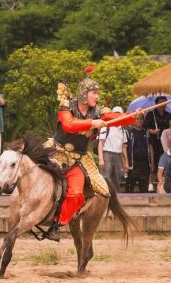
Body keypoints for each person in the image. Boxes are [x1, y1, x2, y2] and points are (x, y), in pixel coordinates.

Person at [43, 78, 138, 242]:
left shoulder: (99, 111)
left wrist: (132, 116)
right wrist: (92, 123)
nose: (97, 96)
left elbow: (117, 118)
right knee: (31, 168)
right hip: (56, 149)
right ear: (84, 94)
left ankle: (56, 225)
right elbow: (68, 124)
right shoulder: (67, 106)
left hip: (79, 157)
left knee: (76, 193)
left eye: (97, 93)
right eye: (94, 93)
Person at [98, 106, 129, 191]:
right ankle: (105, 199)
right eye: (115, 113)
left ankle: (116, 199)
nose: (117, 115)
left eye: (119, 114)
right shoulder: (106, 126)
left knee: (117, 177)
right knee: (106, 177)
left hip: (118, 155)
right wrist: (101, 159)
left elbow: (123, 147)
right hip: (107, 154)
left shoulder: (122, 130)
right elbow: (101, 143)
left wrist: (126, 161)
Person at [125, 114, 153, 193]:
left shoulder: (146, 132)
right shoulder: (129, 132)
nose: (139, 121)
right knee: (130, 186)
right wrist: (125, 162)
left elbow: (150, 147)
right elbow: (124, 148)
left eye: (141, 119)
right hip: (133, 164)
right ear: (134, 120)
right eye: (137, 119)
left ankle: (144, 204)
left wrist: (152, 162)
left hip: (145, 164)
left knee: (144, 188)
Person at [145, 96, 171, 161]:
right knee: (155, 160)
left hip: (166, 142)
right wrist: (152, 131)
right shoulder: (151, 114)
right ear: (156, 104)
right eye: (160, 102)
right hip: (154, 142)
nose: (162, 104)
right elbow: (144, 127)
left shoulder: (168, 115)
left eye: (164, 102)